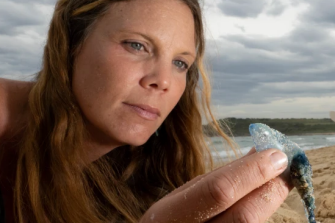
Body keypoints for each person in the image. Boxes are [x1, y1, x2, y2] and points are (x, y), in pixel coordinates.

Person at [0, 0, 291, 222]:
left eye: (180, 63)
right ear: (71, 43)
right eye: (137, 45)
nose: (163, 81)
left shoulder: (149, 170)